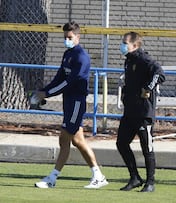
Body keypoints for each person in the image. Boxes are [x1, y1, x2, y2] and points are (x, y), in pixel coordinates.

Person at [34, 21, 108, 189]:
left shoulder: (81, 57)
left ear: (78, 37)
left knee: (68, 139)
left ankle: (52, 178)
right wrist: (44, 90)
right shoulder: (68, 54)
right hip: (68, 101)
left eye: (69, 37)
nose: (67, 40)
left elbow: (69, 82)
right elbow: (59, 78)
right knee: (75, 141)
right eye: (65, 37)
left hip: (76, 102)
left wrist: (47, 94)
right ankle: (98, 175)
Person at [116, 32, 165, 192]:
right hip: (130, 111)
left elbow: (159, 73)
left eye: (125, 43)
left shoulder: (144, 59)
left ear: (135, 45)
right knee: (122, 143)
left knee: (147, 147)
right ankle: (135, 177)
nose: (122, 45)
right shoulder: (128, 61)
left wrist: (148, 88)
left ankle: (150, 182)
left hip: (144, 113)